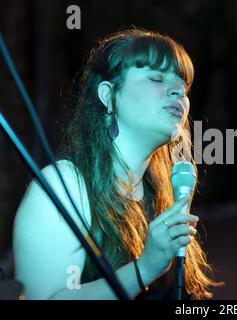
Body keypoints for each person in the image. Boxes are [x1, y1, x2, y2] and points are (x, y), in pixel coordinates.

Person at [13, 28, 219, 300]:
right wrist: (143, 270)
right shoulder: (63, 186)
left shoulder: (160, 192)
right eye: (156, 78)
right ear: (108, 95)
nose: (177, 92)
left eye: (183, 86)